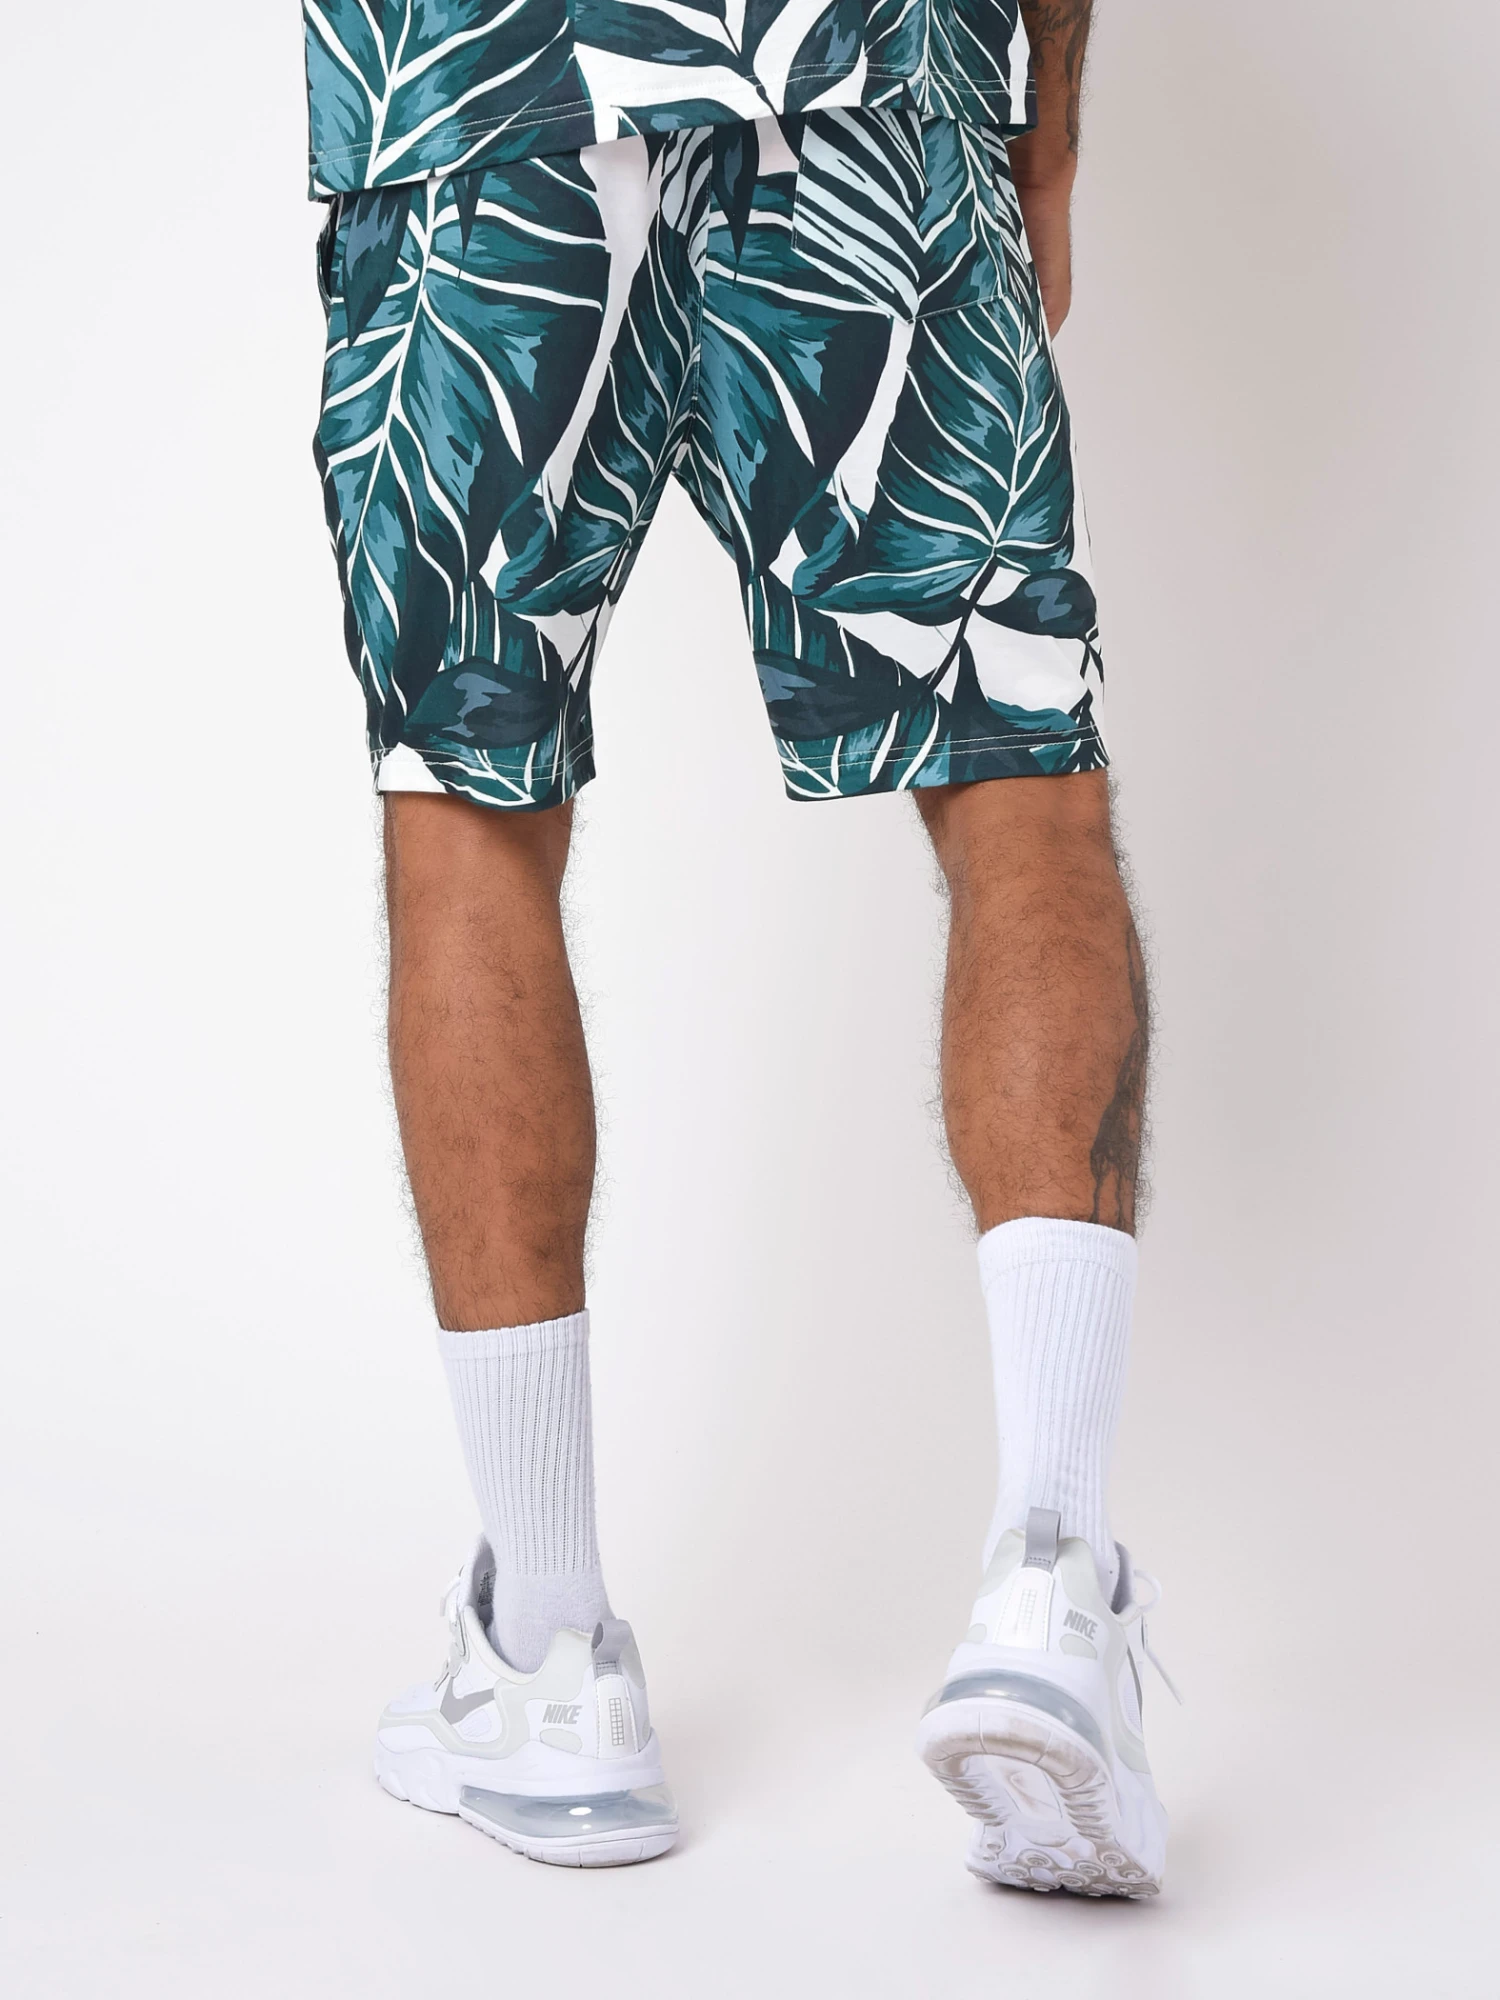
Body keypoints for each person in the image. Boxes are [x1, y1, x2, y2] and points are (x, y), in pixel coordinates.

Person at [305, 0, 1170, 1893]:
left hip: (480, 87)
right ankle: (1050, 1578)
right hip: (867, 68)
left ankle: (549, 1661)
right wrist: (1041, 115)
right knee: (1014, 766)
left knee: (466, 799)